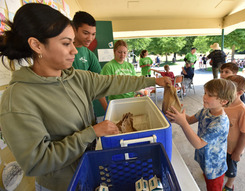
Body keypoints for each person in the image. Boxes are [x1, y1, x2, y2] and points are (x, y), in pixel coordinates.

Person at [0, 4, 171, 191]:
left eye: (73, 42)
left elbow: (113, 82)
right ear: (36, 45)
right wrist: (92, 132)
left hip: (91, 173)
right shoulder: (18, 98)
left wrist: (153, 81)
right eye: (66, 43)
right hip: (62, 185)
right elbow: (37, 162)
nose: (74, 50)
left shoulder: (74, 77)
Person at [166, 79, 236, 191]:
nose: (204, 97)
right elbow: (189, 120)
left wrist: (182, 123)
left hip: (214, 165)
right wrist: (178, 117)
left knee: (213, 186)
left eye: (210, 95)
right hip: (205, 157)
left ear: (223, 101)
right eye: (205, 93)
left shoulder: (220, 122)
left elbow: (199, 144)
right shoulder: (206, 110)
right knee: (205, 172)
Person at [72, 11, 108, 112]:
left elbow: (98, 84)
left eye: (93, 34)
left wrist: (107, 110)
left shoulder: (89, 55)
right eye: (85, 33)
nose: (90, 38)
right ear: (74, 29)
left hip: (86, 107)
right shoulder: (62, 51)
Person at [223, 75, 245, 191]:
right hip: (221, 145)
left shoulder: (242, 110)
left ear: (239, 92)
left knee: (231, 169)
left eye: (229, 89)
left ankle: (229, 185)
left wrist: (237, 152)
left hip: (233, 149)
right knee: (222, 163)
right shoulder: (223, 104)